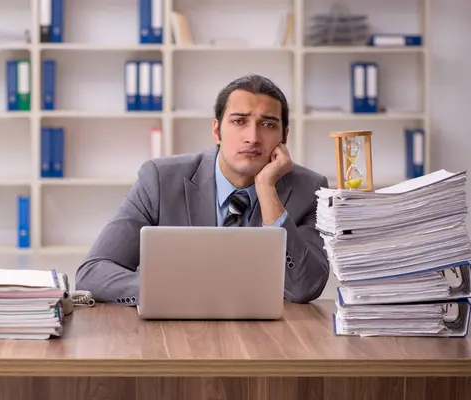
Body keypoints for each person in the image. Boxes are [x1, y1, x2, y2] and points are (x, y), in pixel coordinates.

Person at [75, 74, 330, 305]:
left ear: (284, 136)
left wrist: (266, 189)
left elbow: (304, 287)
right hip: (176, 333)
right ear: (217, 131)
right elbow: (94, 272)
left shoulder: (310, 190)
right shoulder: (160, 180)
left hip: (268, 338)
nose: (252, 137)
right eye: (239, 121)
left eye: (267, 125)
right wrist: (178, 290)